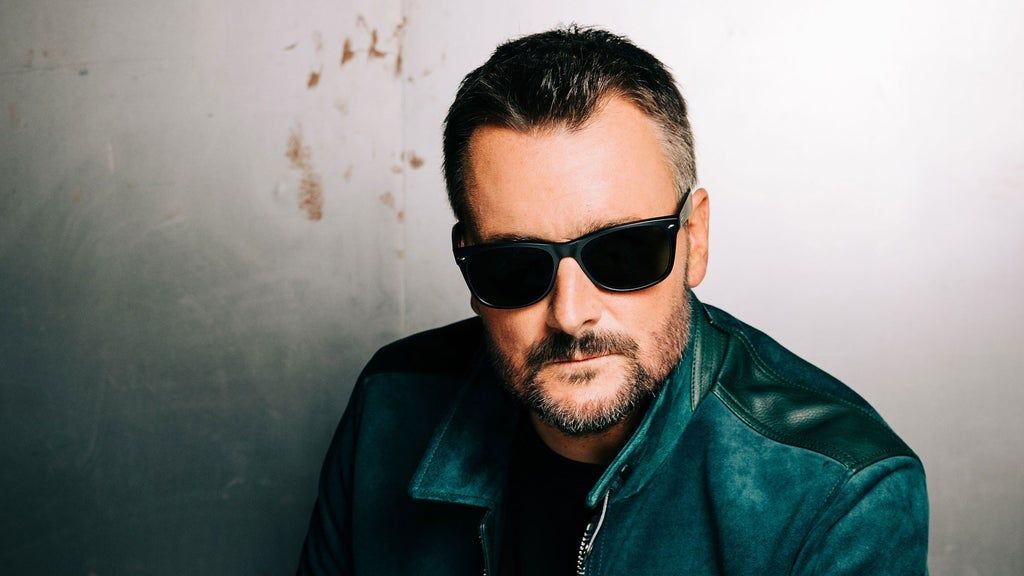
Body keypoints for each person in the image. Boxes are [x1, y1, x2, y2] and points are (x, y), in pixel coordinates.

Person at [297, 25, 929, 576]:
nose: (571, 314)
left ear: (694, 240)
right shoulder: (389, 406)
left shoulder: (839, 491)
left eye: (622, 253)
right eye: (517, 267)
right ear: (469, 265)